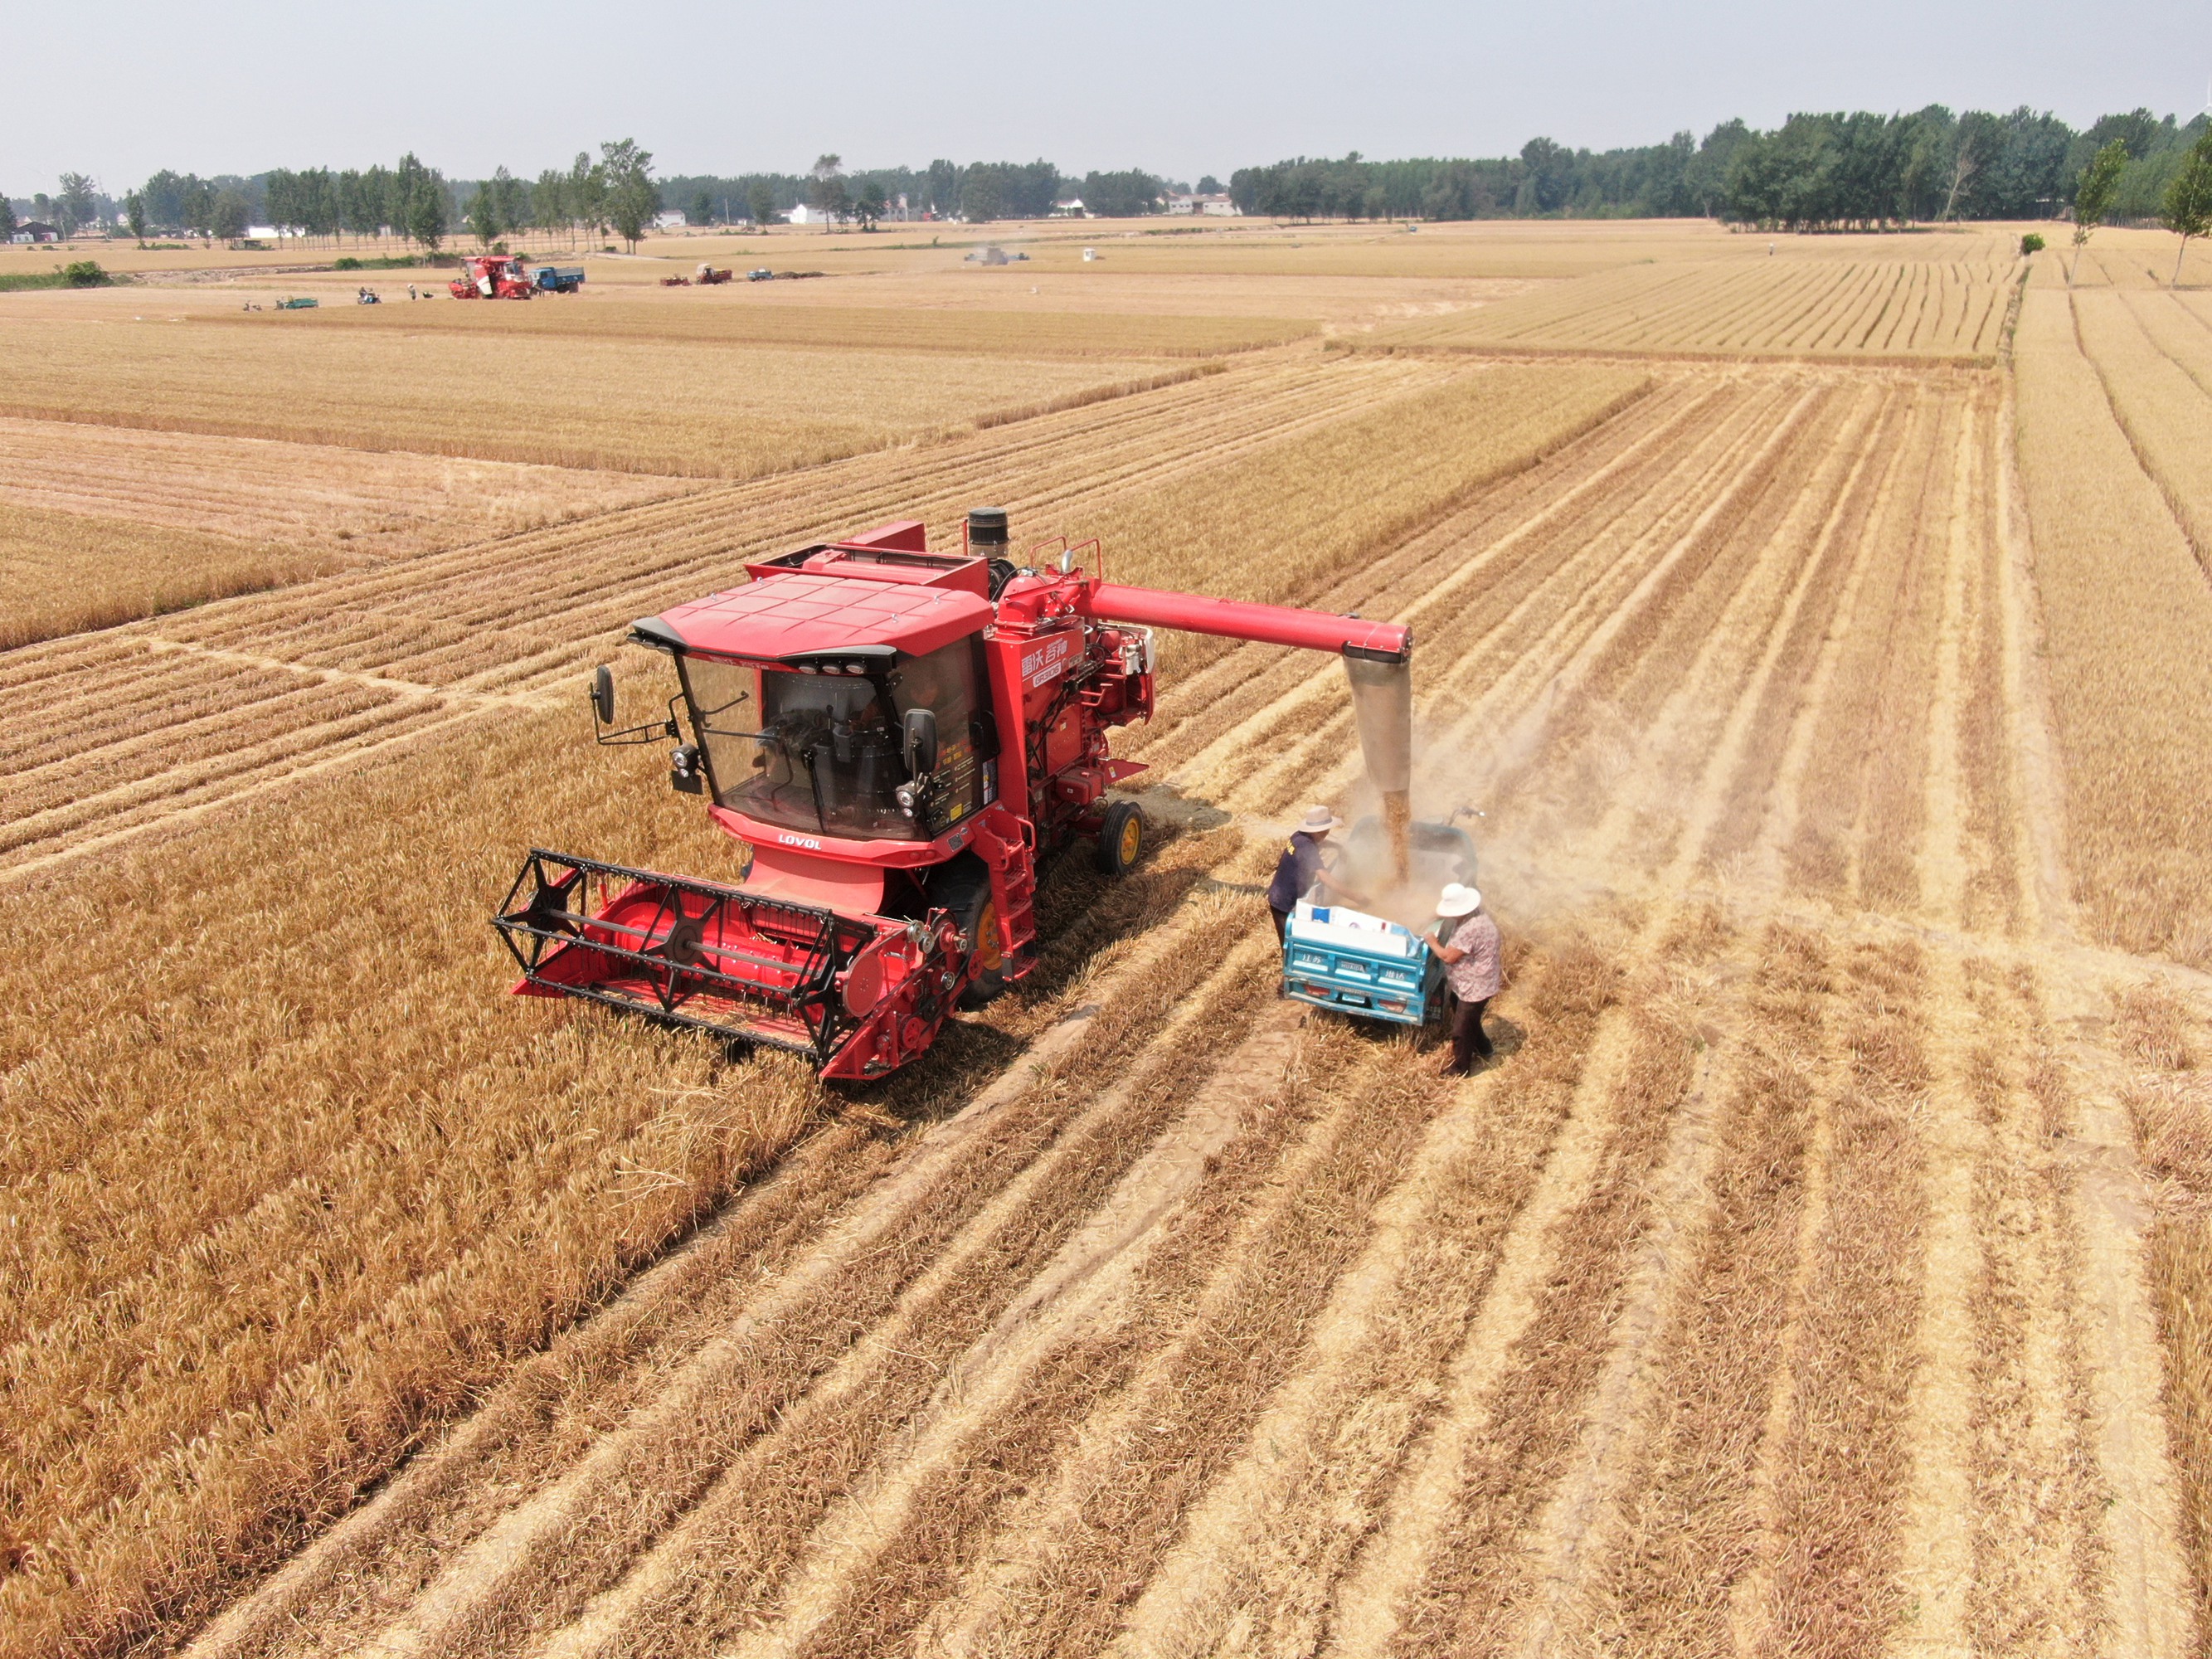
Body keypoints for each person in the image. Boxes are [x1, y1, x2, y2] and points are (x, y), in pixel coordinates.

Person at [1432, 882, 1501, 1076]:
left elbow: (1448, 956)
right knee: (1467, 1016)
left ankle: (1461, 1068)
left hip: (1475, 986)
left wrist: (1432, 942)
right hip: (1471, 982)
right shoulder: (1476, 914)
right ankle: (1484, 1047)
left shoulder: (1470, 928)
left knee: (1461, 1030)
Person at [1266, 806, 1361, 941]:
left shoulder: (1299, 836)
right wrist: (1356, 897)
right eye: (1326, 830)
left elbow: (1320, 843)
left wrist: (1337, 847)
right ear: (1320, 831)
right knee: (1290, 944)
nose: (1328, 832)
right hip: (1284, 902)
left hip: (1279, 893)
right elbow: (1325, 878)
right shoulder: (1307, 848)